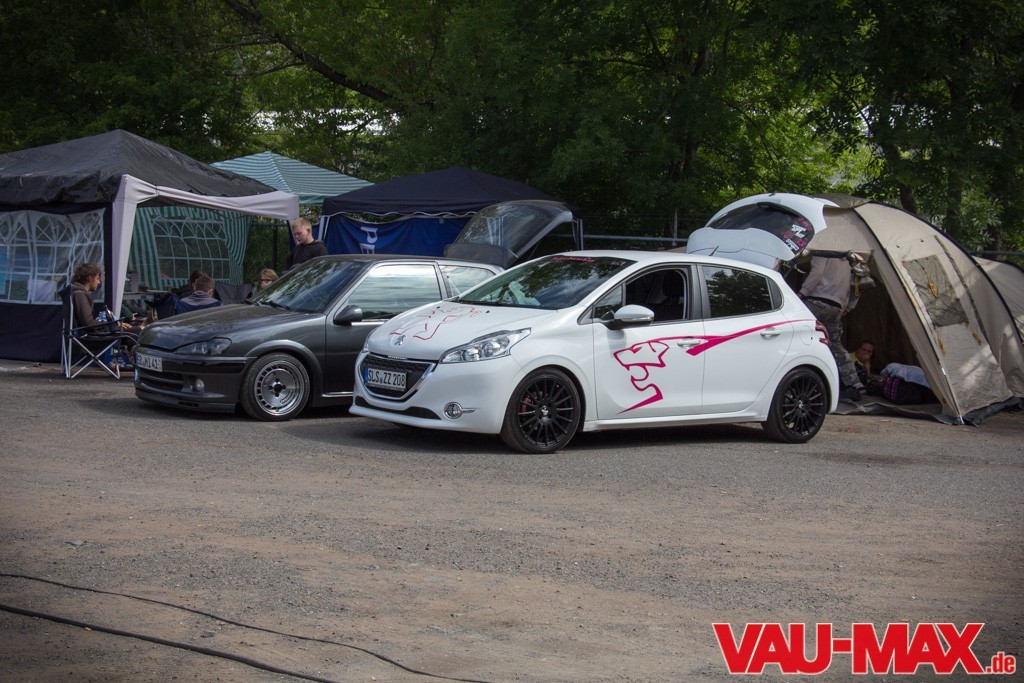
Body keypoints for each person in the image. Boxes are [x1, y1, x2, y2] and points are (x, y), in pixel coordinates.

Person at [799, 252, 865, 401]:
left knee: (800, 336)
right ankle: (854, 382)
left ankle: (804, 380)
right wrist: (845, 306)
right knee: (835, 344)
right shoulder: (846, 259)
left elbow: (817, 273)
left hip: (816, 302)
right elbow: (851, 286)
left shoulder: (822, 251)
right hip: (836, 306)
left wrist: (802, 293)